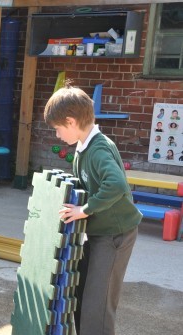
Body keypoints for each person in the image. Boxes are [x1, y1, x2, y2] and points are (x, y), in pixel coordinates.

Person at [44, 85, 141, 335]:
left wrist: (85, 209)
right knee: (81, 294)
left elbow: (117, 184)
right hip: (99, 232)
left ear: (71, 121)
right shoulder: (82, 148)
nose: (57, 135)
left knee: (98, 303)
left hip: (116, 234)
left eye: (57, 128)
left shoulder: (98, 149)